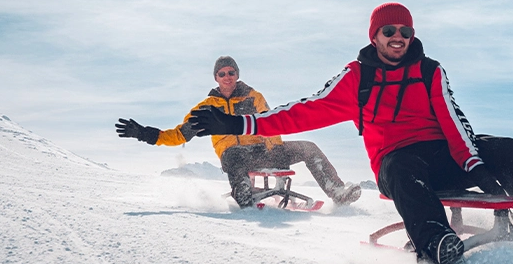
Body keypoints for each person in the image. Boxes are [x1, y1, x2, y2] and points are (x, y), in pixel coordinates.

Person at [188, 3, 513, 264]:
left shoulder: (429, 71)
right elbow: (303, 111)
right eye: (389, 31)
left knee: (507, 148)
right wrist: (238, 124)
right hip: (397, 164)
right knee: (404, 163)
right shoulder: (357, 78)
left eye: (405, 30)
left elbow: (455, 122)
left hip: (445, 158)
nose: (398, 37)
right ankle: (435, 241)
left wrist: (475, 162)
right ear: (375, 36)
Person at [115, 56, 361, 209]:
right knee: (233, 155)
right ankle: (245, 198)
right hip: (235, 155)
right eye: (222, 73)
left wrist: (274, 149)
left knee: (309, 147)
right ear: (216, 77)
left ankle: (337, 191)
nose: (227, 77)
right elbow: (179, 135)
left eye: (231, 72)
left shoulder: (253, 97)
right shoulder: (206, 108)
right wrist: (146, 133)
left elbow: (271, 121)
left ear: (237, 75)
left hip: (265, 150)